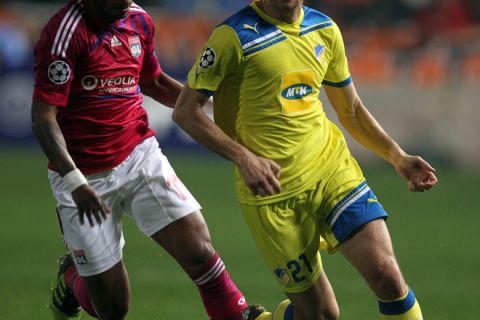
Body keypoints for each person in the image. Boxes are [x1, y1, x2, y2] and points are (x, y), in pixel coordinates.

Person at [173, 1, 438, 319]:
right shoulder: (232, 37)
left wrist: (397, 156)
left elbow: (350, 109)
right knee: (321, 314)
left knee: (388, 276)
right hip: (273, 194)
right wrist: (244, 158)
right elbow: (186, 111)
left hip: (331, 172)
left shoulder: (324, 28)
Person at [31, 1, 251, 319]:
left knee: (200, 254)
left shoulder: (139, 21)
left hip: (138, 155)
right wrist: (74, 181)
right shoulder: (64, 34)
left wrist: (216, 111)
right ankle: (72, 277)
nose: (122, 4)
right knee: (113, 308)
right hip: (84, 175)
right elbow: (42, 117)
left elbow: (153, 81)